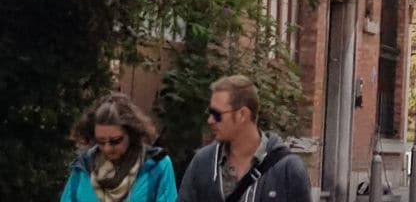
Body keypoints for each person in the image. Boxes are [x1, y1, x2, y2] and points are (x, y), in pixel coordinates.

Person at [178, 75, 309, 202]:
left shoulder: (288, 169)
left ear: (242, 114)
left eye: (217, 114)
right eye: (210, 113)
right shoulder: (203, 162)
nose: (210, 120)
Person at [60, 93, 176, 202]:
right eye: (100, 141)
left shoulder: (157, 165)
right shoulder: (83, 167)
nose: (107, 148)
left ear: (131, 134)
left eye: (115, 141)